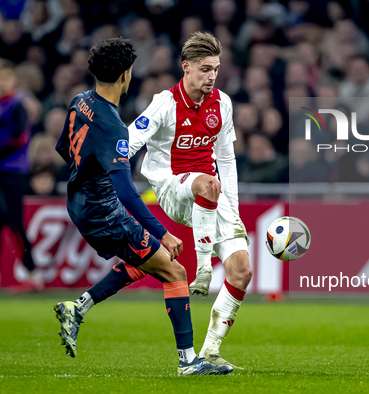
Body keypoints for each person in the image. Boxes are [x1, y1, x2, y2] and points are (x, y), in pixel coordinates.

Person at [53, 38, 231, 376]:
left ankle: (77, 308)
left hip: (77, 199)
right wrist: (162, 232)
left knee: (148, 262)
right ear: (125, 76)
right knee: (175, 271)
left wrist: (86, 175)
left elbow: (65, 147)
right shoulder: (114, 127)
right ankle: (187, 361)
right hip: (102, 208)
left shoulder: (80, 101)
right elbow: (125, 190)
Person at [127, 32, 252, 370]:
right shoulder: (164, 103)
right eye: (205, 69)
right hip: (170, 185)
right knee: (208, 184)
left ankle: (210, 351)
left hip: (211, 191)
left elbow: (226, 159)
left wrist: (235, 209)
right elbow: (130, 140)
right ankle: (202, 268)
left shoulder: (223, 103)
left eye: (216, 69)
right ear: (186, 67)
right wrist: (109, 162)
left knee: (242, 271)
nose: (212, 76)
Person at [0, 59, 43, 290]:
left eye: (5, 78)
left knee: (15, 222)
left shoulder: (17, 105)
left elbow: (18, 139)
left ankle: (33, 271)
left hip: (13, 171)